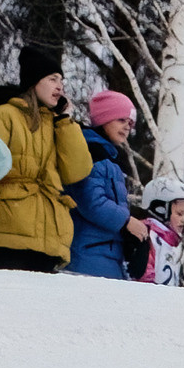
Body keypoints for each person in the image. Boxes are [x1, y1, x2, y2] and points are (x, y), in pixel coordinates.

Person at [0, 45, 94, 272]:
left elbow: (77, 171)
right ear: (34, 81)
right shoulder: (3, 116)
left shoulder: (56, 124)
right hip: (7, 234)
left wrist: (66, 122)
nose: (59, 86)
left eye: (61, 80)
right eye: (52, 79)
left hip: (49, 239)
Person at [64, 89, 149, 278]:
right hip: (86, 253)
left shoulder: (110, 158)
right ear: (103, 119)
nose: (127, 127)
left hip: (107, 254)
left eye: (130, 123)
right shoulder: (90, 152)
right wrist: (126, 221)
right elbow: (91, 202)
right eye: (121, 120)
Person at [123, 176, 184, 284]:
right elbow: (142, 275)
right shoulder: (148, 234)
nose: (183, 220)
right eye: (179, 214)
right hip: (148, 296)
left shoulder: (172, 242)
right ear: (161, 210)